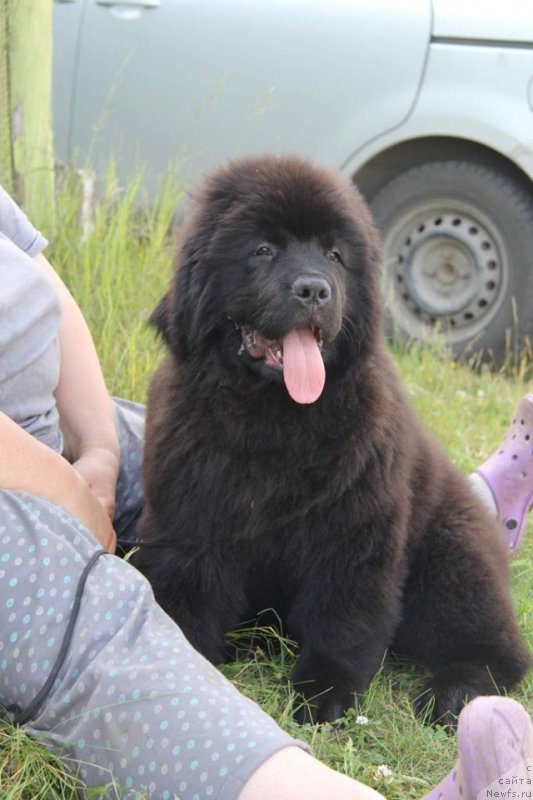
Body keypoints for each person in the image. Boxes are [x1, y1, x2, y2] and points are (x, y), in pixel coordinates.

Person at [0, 184, 531, 800]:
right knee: (155, 578)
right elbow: (186, 551)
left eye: (334, 256)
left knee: (439, 533)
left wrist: (97, 446)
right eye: (263, 251)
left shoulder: (365, 412)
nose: (312, 281)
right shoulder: (191, 404)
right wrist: (63, 486)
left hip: (46, 429)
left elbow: (361, 558)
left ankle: (485, 519)